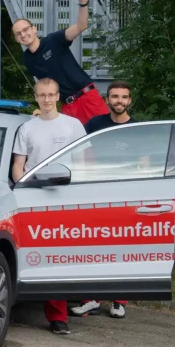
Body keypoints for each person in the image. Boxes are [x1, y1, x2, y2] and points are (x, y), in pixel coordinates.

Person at [11, 78, 87, 336]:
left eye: (51, 94)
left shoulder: (73, 126)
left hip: (66, 198)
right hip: (35, 198)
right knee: (36, 254)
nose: (46, 99)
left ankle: (60, 316)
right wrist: (22, 190)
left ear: (58, 96)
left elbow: (84, 162)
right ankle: (33, 309)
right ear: (36, 97)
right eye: (42, 95)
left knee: (61, 257)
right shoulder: (27, 128)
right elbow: (18, 166)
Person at [70, 80, 138, 320]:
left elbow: (148, 163)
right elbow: (73, 141)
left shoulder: (139, 129)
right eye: (115, 96)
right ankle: (92, 299)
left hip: (127, 198)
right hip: (97, 195)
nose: (119, 101)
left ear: (130, 101)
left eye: (124, 97)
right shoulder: (95, 124)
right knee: (95, 248)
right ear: (107, 99)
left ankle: (119, 301)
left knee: (122, 249)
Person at [13, 0, 107, 125]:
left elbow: (80, 27)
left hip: (87, 98)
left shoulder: (54, 40)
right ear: (16, 39)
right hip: (67, 107)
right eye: (18, 33)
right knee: (76, 147)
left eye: (25, 30)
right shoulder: (27, 60)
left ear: (34, 29)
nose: (23, 34)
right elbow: (45, 86)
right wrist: (44, 111)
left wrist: (83, 3)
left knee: (105, 140)